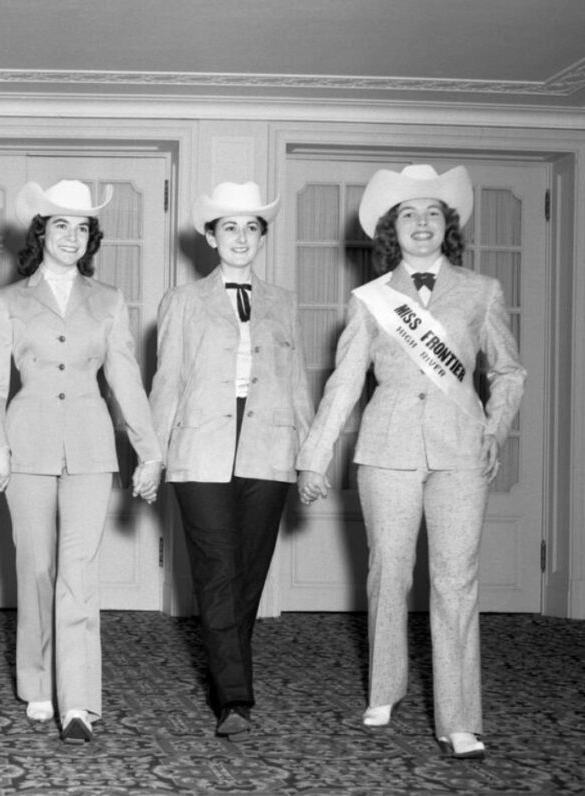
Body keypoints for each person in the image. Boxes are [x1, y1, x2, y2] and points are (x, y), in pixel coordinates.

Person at [296, 164, 526, 759]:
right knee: (388, 573)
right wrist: (314, 459)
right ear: (390, 229)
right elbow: (344, 384)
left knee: (456, 582)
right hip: (387, 449)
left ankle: (460, 719)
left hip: (460, 450)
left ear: (446, 226)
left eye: (432, 214)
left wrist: (496, 428)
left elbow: (507, 371)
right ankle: (385, 687)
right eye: (408, 214)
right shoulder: (370, 301)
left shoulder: (482, 291)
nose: (420, 224)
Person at [0, 180, 163, 744]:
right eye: (61, 224)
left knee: (79, 573)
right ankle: (37, 680)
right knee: (37, 569)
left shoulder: (108, 301)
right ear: (41, 232)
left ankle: (77, 701)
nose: (72, 236)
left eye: (82, 226)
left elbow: (126, 379)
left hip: (89, 447)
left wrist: (150, 452)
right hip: (25, 443)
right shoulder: (8, 301)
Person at [149, 181, 313, 737]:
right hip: (200, 449)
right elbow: (166, 383)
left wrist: (311, 456)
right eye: (229, 227)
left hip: (269, 443)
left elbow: (297, 383)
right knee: (217, 571)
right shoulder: (182, 301)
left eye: (250, 227)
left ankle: (229, 677)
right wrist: (152, 454)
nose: (240, 237)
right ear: (211, 237)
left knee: (248, 574)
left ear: (261, 236)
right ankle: (235, 700)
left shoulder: (284, 302)